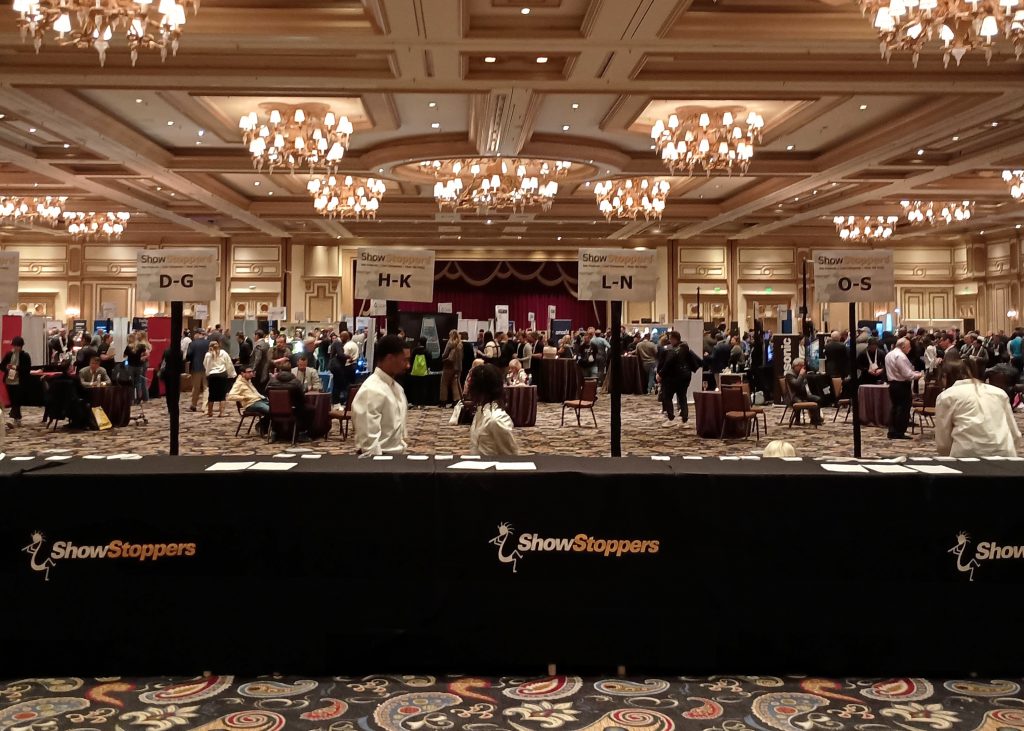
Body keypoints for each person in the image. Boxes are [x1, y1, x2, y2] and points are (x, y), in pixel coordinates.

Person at [935, 360, 1020, 457]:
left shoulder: (947, 396)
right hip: (1004, 451)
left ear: (945, 376)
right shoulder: (998, 393)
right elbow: (1014, 432)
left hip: (967, 454)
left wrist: (948, 457)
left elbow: (943, 440)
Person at [352, 335, 410, 457]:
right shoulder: (371, 390)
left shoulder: (397, 388)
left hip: (397, 457)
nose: (408, 365)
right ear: (389, 358)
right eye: (404, 360)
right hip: (380, 461)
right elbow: (369, 443)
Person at [467, 364, 519, 457]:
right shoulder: (480, 411)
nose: (468, 384)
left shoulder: (496, 420)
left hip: (492, 470)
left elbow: (511, 458)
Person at [657, 333, 701, 427]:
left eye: (670, 339)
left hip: (672, 378)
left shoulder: (670, 350)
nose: (669, 341)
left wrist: (660, 374)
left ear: (674, 339)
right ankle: (684, 420)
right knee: (682, 397)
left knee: (667, 397)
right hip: (685, 377)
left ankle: (671, 418)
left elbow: (667, 363)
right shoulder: (685, 348)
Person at [884, 336, 921, 440]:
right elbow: (907, 374)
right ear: (903, 346)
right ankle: (899, 432)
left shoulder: (889, 354)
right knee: (903, 409)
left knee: (894, 408)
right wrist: (919, 375)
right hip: (901, 385)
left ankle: (892, 431)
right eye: (909, 347)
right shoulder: (900, 356)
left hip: (892, 384)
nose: (910, 349)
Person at [1, 336, 31, 424]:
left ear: (21, 346)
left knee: (17, 399)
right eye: (14, 346)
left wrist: (15, 368)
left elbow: (27, 369)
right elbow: (2, 366)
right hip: (9, 380)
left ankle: (16, 416)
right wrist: (6, 368)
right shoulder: (9, 354)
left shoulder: (25, 356)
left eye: (17, 346)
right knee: (12, 399)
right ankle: (15, 415)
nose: (15, 348)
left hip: (19, 380)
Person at [203, 338, 236, 417]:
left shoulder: (208, 355)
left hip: (212, 376)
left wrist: (207, 374)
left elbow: (206, 365)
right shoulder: (223, 353)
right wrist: (232, 374)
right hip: (222, 375)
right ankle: (222, 412)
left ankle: (210, 412)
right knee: (222, 395)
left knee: (211, 395)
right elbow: (229, 363)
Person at [785, 358, 824, 425]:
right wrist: (801, 375)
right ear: (796, 366)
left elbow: (805, 384)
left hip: (803, 394)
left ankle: (815, 420)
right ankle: (797, 420)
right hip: (794, 396)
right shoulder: (789, 374)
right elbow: (796, 384)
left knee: (817, 399)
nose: (803, 367)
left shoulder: (802, 373)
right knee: (799, 402)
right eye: (801, 366)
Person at [186, 330, 210, 412]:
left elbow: (188, 355)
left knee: (196, 387)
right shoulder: (208, 343)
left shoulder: (192, 344)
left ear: (198, 334)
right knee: (206, 387)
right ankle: (205, 406)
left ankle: (193, 405)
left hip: (196, 368)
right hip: (207, 368)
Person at [440, 330, 463, 408]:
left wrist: (442, 357)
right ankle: (456, 401)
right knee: (455, 384)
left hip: (449, 366)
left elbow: (445, 354)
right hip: (458, 367)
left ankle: (443, 401)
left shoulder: (450, 343)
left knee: (444, 384)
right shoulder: (460, 344)